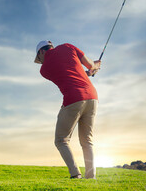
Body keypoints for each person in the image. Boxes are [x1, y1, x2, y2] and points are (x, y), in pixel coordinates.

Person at [34, 40, 101, 179]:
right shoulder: (68, 46)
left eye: (38, 58)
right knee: (87, 140)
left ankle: (75, 174)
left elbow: (66, 74)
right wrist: (93, 68)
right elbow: (86, 66)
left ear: (41, 51)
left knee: (61, 140)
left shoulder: (44, 70)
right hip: (93, 97)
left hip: (73, 99)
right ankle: (91, 177)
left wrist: (89, 71)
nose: (40, 61)